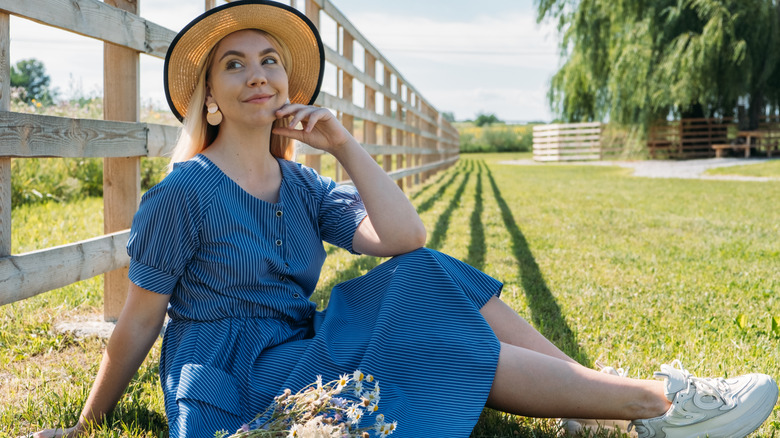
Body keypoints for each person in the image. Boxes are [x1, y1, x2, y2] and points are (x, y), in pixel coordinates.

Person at [33, 1, 778, 437]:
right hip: (236, 381)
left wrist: (347, 143)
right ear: (211, 96)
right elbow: (137, 323)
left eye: (269, 60)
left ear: (286, 81)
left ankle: (590, 391)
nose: (257, 72)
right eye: (234, 64)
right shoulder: (184, 192)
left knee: (425, 274)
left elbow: (404, 239)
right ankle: (657, 404)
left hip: (297, 346)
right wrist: (89, 423)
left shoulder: (302, 184)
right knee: (428, 341)